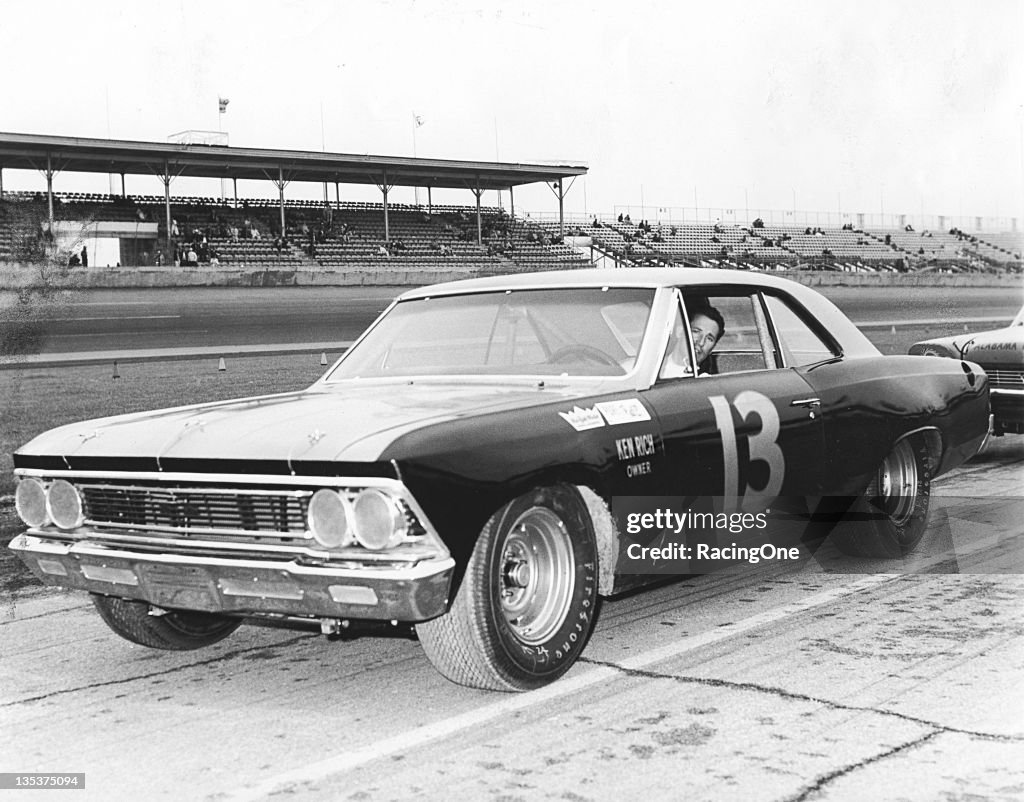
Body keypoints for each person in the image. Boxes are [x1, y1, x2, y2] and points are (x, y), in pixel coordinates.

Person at [660, 304, 725, 379]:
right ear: (679, 331)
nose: (701, 342)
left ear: (712, 348)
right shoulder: (652, 367)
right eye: (696, 331)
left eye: (709, 339)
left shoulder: (704, 382)